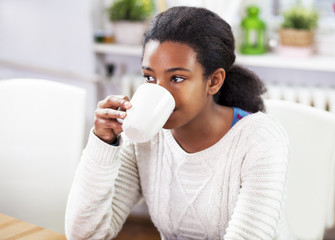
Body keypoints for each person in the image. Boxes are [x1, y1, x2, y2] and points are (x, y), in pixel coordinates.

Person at [65, 6, 290, 240]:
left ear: (214, 81)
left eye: (177, 78)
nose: (159, 90)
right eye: (149, 77)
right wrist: (103, 144)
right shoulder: (144, 137)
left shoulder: (260, 140)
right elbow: (84, 235)